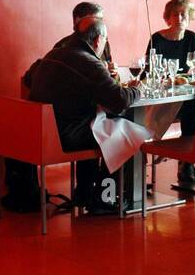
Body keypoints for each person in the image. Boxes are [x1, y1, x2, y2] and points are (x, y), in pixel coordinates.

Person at [28, 17, 140, 212]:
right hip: (64, 137)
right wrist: (137, 90)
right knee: (126, 134)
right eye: (105, 40)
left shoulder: (54, 53)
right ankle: (105, 200)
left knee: (99, 124)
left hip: (39, 131)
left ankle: (85, 193)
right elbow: (119, 101)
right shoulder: (87, 61)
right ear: (98, 40)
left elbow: (31, 79)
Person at [146, 0, 195, 171]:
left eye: (183, 14)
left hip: (186, 97)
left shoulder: (191, 38)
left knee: (194, 103)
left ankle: (187, 161)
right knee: (193, 105)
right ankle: (186, 162)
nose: (180, 18)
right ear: (168, 17)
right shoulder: (157, 39)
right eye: (175, 14)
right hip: (163, 99)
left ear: (189, 17)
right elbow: (150, 69)